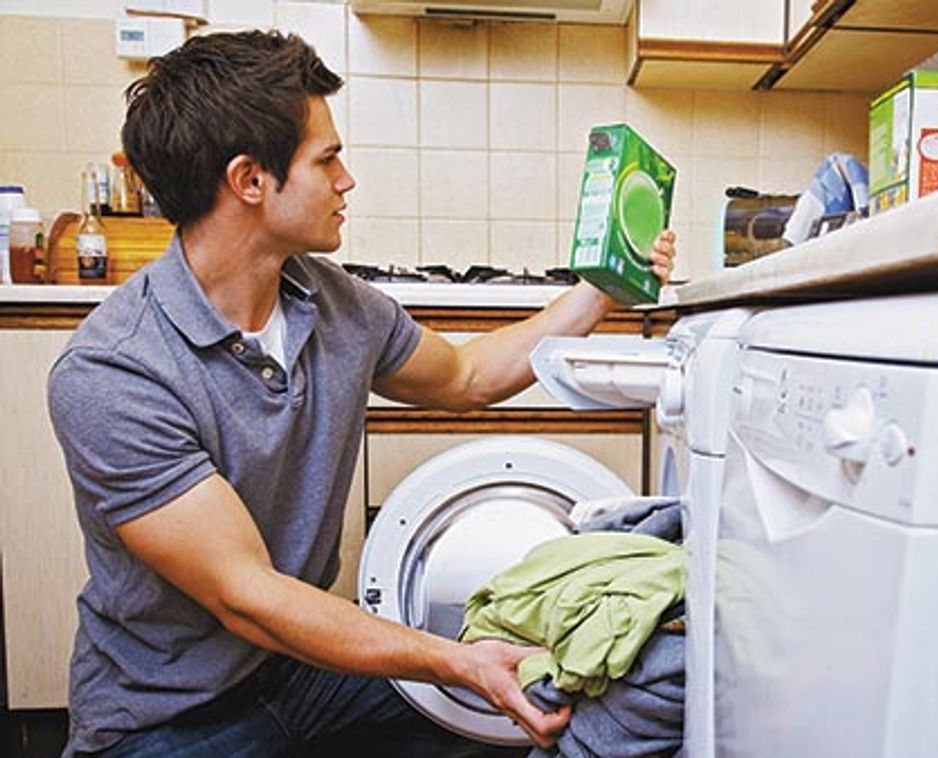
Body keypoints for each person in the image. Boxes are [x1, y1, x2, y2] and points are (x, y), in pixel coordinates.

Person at [46, 29, 676, 758]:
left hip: (299, 673)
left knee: (533, 724)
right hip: (167, 715)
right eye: (327, 158)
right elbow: (248, 597)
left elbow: (467, 377)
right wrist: (453, 660)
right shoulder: (114, 372)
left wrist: (599, 289)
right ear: (250, 179)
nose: (345, 180)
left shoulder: (330, 301)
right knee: (468, 687)